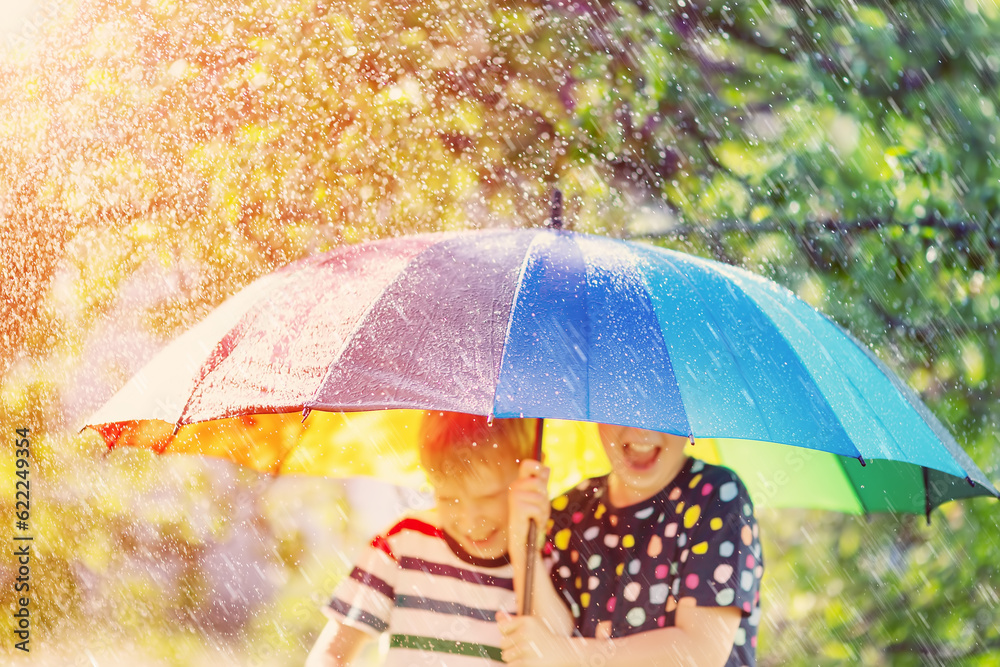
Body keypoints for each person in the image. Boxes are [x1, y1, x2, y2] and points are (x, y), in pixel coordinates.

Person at [499, 423, 763, 667]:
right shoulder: (567, 512)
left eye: (662, 407)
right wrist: (524, 547)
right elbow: (547, 642)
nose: (640, 428)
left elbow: (700, 650)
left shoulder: (716, 496)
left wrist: (571, 655)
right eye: (620, 404)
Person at [306, 411, 538, 666]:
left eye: (489, 497)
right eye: (448, 499)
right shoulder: (404, 543)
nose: (471, 523)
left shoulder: (548, 561)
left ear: (533, 474)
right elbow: (334, 651)